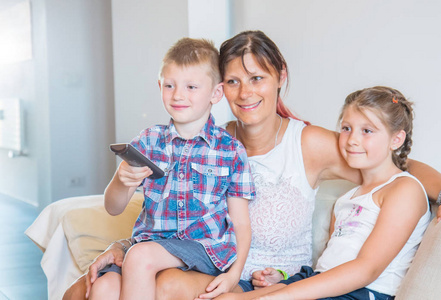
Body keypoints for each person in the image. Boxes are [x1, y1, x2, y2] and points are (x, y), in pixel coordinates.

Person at [63, 30, 441, 300]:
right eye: (233, 81)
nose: (245, 93)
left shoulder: (308, 143)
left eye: (257, 78)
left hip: (263, 279)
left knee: (166, 287)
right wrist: (124, 244)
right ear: (218, 89)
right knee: (85, 289)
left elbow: (398, 168)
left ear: (281, 79)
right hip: (200, 259)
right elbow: (170, 208)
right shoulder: (215, 139)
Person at [217, 86, 431, 300]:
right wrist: (280, 280)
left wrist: (278, 296)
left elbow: (367, 270)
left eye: (367, 131)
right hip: (322, 281)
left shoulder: (404, 189)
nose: (352, 139)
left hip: (363, 292)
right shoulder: (347, 198)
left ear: (396, 139)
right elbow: (329, 264)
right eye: (347, 128)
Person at [86, 37, 255, 300]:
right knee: (104, 288)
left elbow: (241, 223)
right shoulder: (148, 142)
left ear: (216, 93)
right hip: (150, 245)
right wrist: (122, 181)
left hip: (203, 249)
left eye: (191, 87)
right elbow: (113, 207)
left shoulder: (230, 150)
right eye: (169, 85)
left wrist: (234, 274)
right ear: (159, 85)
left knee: (140, 257)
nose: (178, 95)